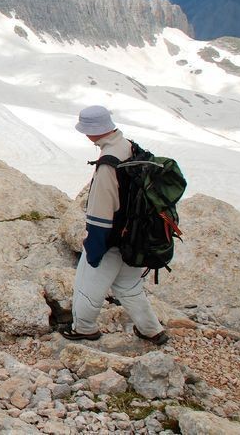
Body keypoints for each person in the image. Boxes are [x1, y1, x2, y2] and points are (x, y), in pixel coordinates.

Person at [62, 105, 168, 345]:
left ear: (91, 131)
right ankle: (152, 329)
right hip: (136, 234)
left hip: (112, 237)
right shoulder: (130, 147)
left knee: (87, 283)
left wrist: (94, 247)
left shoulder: (108, 164)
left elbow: (101, 210)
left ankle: (83, 328)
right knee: (128, 285)